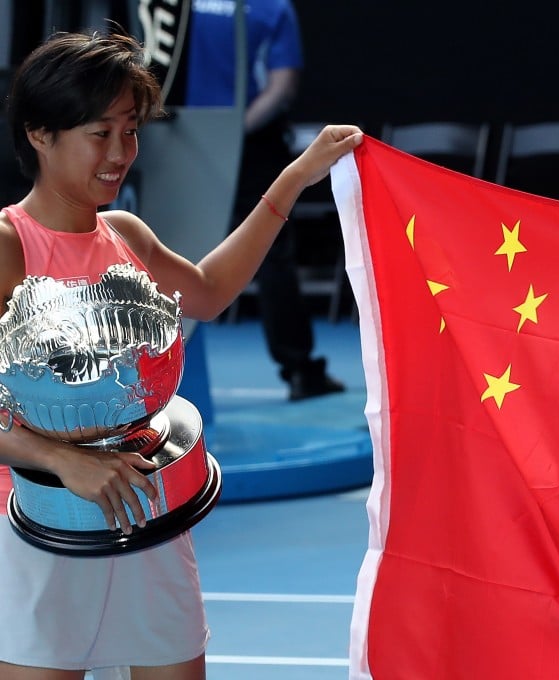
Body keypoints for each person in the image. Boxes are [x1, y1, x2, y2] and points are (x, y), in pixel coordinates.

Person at [0, 29, 361, 678]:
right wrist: (63, 461)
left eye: (130, 131)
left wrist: (294, 178)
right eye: (99, 133)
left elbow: (212, 291)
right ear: (39, 133)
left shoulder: (126, 234)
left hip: (148, 515)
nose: (120, 153)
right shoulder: (8, 245)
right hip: (35, 527)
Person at [184, 0, 346, 400]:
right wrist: (235, 132)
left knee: (168, 243)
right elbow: (282, 85)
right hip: (248, 141)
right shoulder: (274, 9)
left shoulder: (178, 6)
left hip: (181, 141)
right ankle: (299, 370)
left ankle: (146, 372)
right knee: (269, 249)